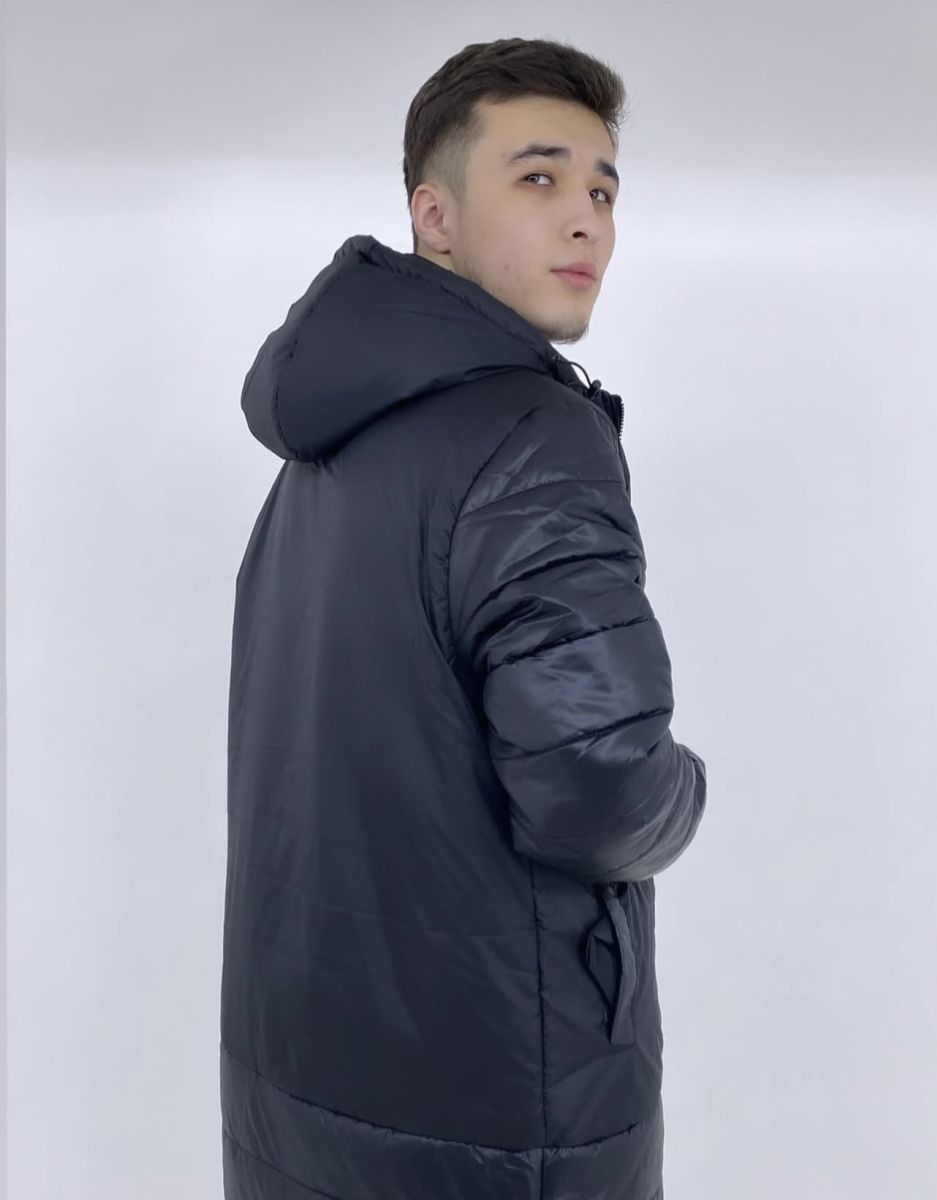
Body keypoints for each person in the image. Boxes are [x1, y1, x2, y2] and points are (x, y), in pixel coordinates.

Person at [220, 35, 707, 1200]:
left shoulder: (325, 447)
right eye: (537, 178)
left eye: (602, 191)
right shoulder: (533, 436)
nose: (584, 220)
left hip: (297, 1087)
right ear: (432, 217)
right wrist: (686, 790)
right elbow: (596, 785)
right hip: (500, 1103)